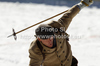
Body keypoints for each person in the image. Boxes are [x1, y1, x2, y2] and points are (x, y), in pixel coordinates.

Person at [29, 0, 93, 66]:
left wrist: (82, 4)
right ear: (39, 39)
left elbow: (69, 15)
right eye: (46, 39)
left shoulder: (59, 30)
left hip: (70, 63)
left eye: (51, 37)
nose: (50, 41)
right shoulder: (36, 49)